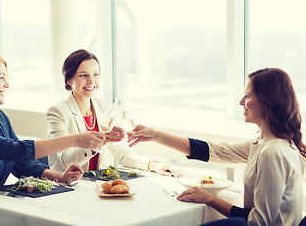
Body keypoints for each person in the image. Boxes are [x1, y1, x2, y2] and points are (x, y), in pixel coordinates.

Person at [128, 68, 306, 225]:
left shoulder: (273, 152)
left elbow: (258, 223)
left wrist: (209, 198)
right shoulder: (264, 142)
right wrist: (156, 135)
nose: (241, 101)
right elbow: (212, 151)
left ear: (268, 102)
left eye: (248, 95)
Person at [0, 50, 105, 215]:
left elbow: (22, 163)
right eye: (0, 78)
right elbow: (15, 150)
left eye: (6, 77)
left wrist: (60, 177)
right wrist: (74, 140)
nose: (7, 84)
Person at [47, 49, 180, 177]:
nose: (91, 81)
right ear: (69, 80)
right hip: (69, 188)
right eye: (83, 75)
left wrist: (152, 165)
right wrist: (101, 141)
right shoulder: (58, 112)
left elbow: (121, 154)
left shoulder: (104, 106)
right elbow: (66, 161)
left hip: (98, 186)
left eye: (96, 74)